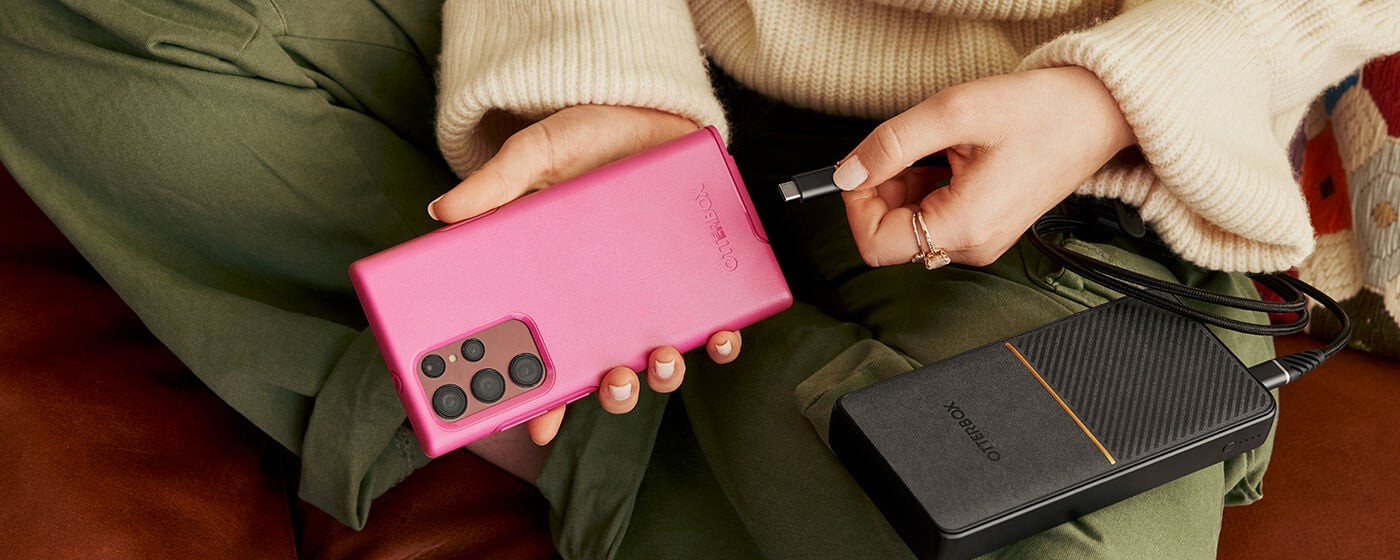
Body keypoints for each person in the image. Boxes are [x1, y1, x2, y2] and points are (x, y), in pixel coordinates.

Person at [0, 0, 1395, 558]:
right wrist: (600, 79)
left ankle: (571, 403)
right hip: (646, 50)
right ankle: (672, 403)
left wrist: (1114, 98)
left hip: (1064, 172)